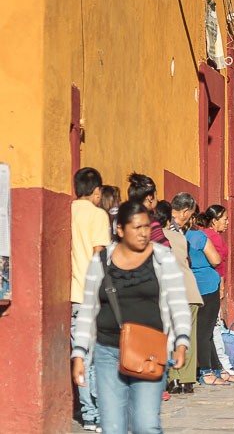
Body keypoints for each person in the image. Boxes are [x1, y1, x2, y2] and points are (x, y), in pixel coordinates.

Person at [71, 201, 191, 434]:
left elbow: (178, 303)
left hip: (150, 350)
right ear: (120, 229)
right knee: (113, 427)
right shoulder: (101, 261)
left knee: (145, 424)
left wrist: (181, 342)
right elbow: (88, 310)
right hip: (107, 351)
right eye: (136, 228)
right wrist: (79, 354)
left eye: (146, 227)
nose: (143, 233)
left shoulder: (162, 258)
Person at [71, 167, 107, 432]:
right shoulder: (98, 215)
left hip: (73, 296)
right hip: (92, 294)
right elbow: (99, 256)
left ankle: (89, 414)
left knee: (81, 355)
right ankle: (96, 412)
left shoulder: (69, 211)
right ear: (96, 191)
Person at [154, 201, 202, 395]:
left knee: (170, 335)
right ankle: (187, 380)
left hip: (169, 290)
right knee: (189, 335)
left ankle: (173, 378)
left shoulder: (152, 237)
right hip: (189, 289)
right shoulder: (180, 236)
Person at [186, 206, 225, 385]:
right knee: (205, 332)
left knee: (201, 330)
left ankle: (216, 368)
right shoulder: (198, 236)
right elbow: (216, 260)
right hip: (207, 285)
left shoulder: (174, 236)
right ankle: (206, 371)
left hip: (188, 286)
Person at [200, 205, 234, 382]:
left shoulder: (207, 235)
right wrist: (222, 288)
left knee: (210, 327)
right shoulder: (213, 237)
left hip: (209, 284)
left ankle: (217, 365)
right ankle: (218, 365)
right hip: (211, 285)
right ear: (214, 221)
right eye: (225, 219)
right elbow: (218, 265)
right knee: (212, 328)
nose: (227, 222)